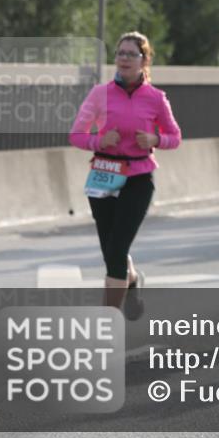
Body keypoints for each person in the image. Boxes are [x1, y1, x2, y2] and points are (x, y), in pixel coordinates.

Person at [69, 32, 182, 314]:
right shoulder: (100, 94)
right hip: (104, 173)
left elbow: (175, 137)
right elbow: (76, 135)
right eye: (121, 53)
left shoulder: (156, 98)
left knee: (117, 249)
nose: (124, 59)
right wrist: (99, 141)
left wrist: (156, 139)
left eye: (132, 54)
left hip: (138, 177)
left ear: (144, 60)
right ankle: (130, 278)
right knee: (111, 252)